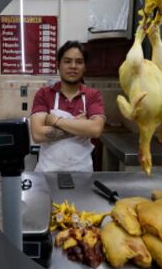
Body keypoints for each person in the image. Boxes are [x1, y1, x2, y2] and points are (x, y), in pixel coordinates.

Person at [29, 41, 106, 172]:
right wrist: (80, 125)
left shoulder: (93, 95)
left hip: (82, 173)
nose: (73, 66)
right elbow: (37, 134)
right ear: (58, 65)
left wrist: (56, 121)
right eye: (67, 61)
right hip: (47, 173)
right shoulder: (44, 94)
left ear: (84, 67)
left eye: (79, 62)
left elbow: (96, 130)